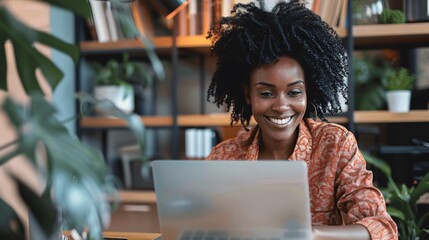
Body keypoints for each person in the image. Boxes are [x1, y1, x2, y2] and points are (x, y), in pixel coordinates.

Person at [205, 1, 398, 239]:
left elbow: (381, 227)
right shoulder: (224, 157)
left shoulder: (335, 146)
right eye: (266, 93)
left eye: (294, 92)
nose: (281, 106)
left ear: (309, 91)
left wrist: (313, 234)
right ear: (248, 94)